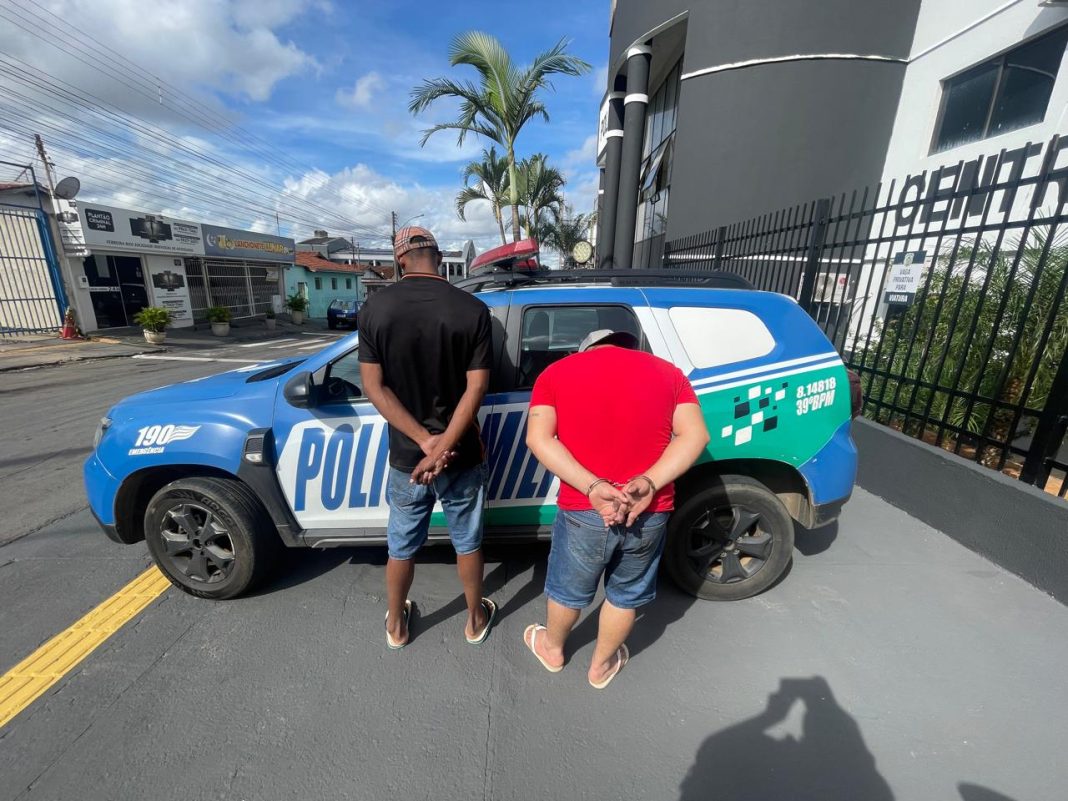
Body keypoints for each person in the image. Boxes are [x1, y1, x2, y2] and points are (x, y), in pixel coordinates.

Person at [523, 329, 710, 688]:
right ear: (629, 347)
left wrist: (593, 486)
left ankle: (552, 649)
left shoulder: (556, 372)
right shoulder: (669, 373)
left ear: (586, 349)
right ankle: (601, 666)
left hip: (584, 509)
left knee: (567, 590)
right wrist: (649, 483)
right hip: (649, 510)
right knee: (625, 595)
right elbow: (696, 435)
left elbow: (538, 438)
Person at [358, 226, 496, 650]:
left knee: (401, 545)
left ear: (400, 260)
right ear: (437, 256)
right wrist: (444, 447)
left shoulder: (375, 309)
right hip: (461, 453)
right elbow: (476, 388)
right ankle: (474, 620)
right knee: (467, 542)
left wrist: (424, 443)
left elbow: (374, 387)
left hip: (408, 458)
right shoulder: (473, 309)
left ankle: (396, 627)